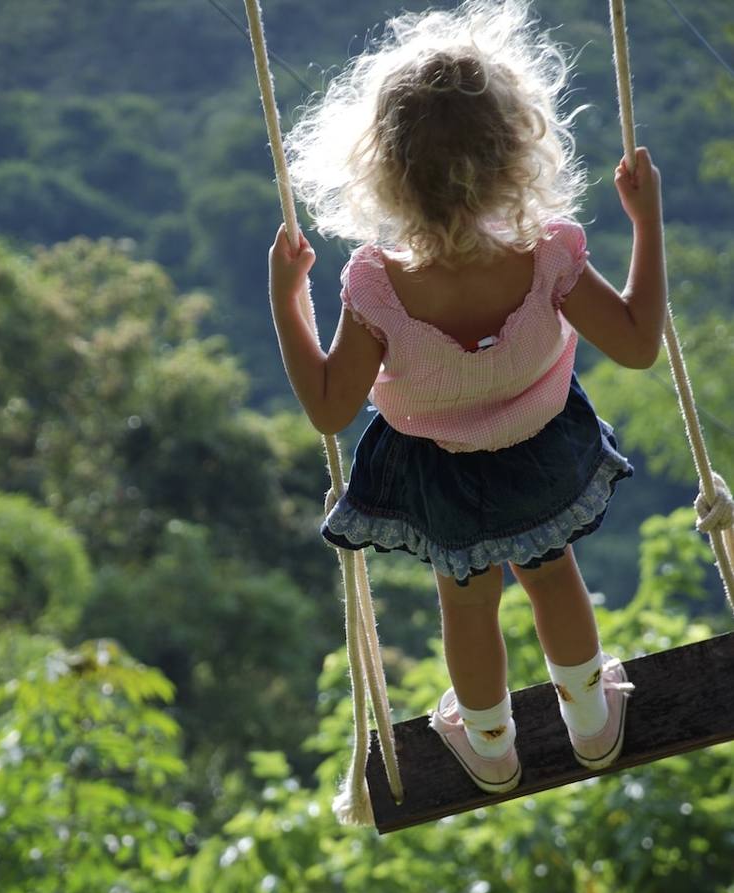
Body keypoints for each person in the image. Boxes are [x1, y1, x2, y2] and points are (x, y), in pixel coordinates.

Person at [268, 0, 666, 794]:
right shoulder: (546, 255)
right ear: (516, 149)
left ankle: (488, 746)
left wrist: (286, 301)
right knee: (554, 576)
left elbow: (326, 408)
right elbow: (635, 343)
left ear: (381, 167)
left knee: (465, 602)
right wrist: (646, 223)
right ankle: (591, 723)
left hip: (438, 470)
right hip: (544, 448)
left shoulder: (375, 289)